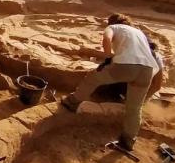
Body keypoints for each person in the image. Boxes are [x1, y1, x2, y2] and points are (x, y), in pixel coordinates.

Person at [60, 13, 160, 151]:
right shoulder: (139, 32)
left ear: (111, 22)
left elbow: (107, 38)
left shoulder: (113, 27)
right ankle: (128, 140)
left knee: (93, 78)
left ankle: (72, 102)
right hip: (147, 70)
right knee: (135, 108)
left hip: (127, 65)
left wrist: (108, 58)